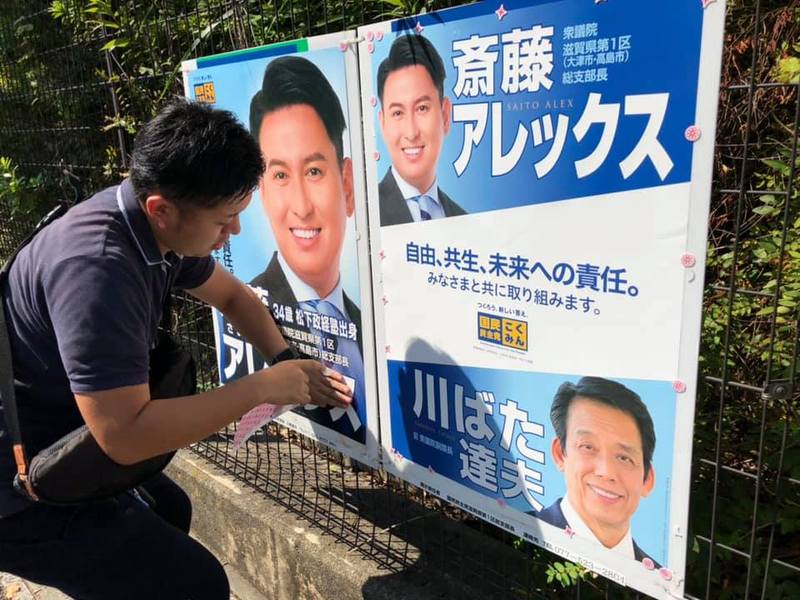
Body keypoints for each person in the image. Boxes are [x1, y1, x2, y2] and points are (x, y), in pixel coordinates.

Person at [0, 99, 351, 599]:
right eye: (224, 219)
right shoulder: (98, 270)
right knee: (196, 583)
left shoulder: (149, 228)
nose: (234, 232)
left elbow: (232, 296)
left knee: (170, 510)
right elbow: (124, 436)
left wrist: (284, 358)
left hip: (67, 441)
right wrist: (261, 388)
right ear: (162, 209)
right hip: (23, 488)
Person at [243, 55, 366, 442]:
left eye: (314, 171)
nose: (300, 205)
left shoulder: (372, 325)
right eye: (279, 175)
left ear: (346, 184)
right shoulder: (247, 311)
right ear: (262, 192)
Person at [535, 376, 659, 565]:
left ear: (647, 480)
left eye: (624, 458)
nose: (606, 472)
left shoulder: (657, 578)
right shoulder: (524, 530)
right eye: (588, 447)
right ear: (560, 454)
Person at [376, 33, 467, 226]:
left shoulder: (465, 221)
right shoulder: (366, 214)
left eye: (422, 108)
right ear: (382, 123)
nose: (411, 132)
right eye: (398, 113)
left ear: (445, 115)